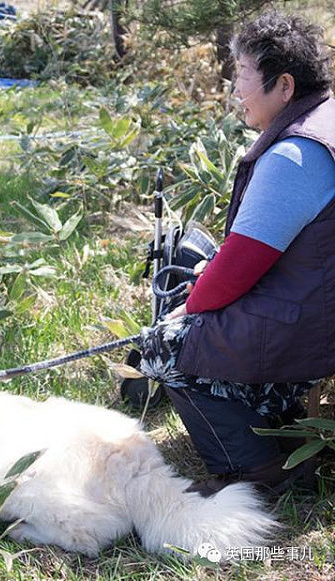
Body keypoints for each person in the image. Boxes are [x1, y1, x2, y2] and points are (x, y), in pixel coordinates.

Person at [132, 11, 334, 495]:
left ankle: (256, 472)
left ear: (283, 85)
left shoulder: (294, 155)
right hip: (318, 297)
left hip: (313, 322)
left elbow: (234, 272)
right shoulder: (326, 118)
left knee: (166, 343)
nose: (235, 91)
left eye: (242, 77)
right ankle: (279, 417)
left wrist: (186, 306)